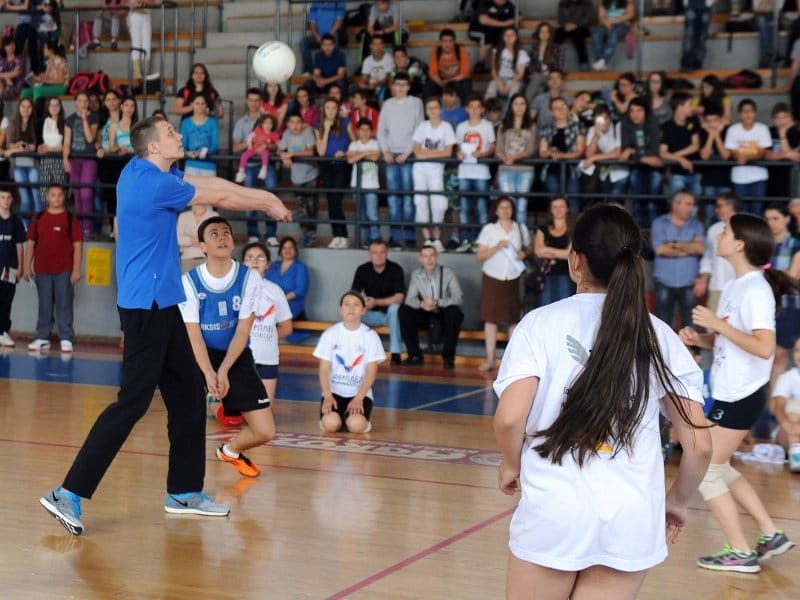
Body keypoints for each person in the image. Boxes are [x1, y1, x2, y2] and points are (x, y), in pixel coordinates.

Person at [38, 115, 291, 535]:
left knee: (189, 394)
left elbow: (209, 187)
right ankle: (68, 492)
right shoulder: (157, 184)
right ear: (152, 147)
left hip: (165, 302)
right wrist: (267, 200)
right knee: (132, 403)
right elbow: (221, 195)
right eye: (170, 133)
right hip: (144, 308)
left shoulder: (138, 170)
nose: (178, 135)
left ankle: (185, 491)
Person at [494, 203, 711, 598]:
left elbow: (510, 418)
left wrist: (511, 463)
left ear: (575, 261)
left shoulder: (539, 324)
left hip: (554, 510)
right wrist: (677, 501)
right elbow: (699, 443)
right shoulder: (661, 336)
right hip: (630, 517)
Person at [679, 213, 797, 572]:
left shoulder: (756, 290)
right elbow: (736, 338)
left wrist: (716, 325)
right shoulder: (735, 285)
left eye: (726, 232)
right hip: (731, 391)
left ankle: (741, 551)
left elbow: (764, 347)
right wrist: (704, 338)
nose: (719, 236)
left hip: (744, 394)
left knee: (706, 470)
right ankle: (769, 534)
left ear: (740, 243)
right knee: (720, 465)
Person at [178, 216, 278, 479]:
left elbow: (243, 331)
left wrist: (222, 370)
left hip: (234, 355)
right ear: (202, 246)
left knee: (266, 430)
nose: (222, 237)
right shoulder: (189, 281)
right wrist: (209, 373)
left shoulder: (249, 278)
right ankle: (186, 483)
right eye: (214, 234)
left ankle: (230, 451)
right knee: (189, 420)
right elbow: (193, 335)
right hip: (197, 355)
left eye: (226, 232)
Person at [22, 183, 82, 353]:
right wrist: (27, 265)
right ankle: (42, 337)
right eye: (53, 195)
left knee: (64, 304)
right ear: (47, 197)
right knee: (44, 304)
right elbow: (31, 242)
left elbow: (78, 245)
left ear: (64, 197)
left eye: (59, 195)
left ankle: (66, 337)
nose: (56, 198)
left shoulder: (71, 218)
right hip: (42, 270)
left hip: (64, 270)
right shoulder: (38, 217)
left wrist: (76, 270)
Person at [315, 290, 385, 433]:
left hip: (359, 393)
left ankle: (353, 421)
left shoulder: (370, 336)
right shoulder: (330, 334)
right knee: (330, 424)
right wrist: (327, 396)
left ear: (364, 310)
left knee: (356, 425)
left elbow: (372, 372)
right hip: (334, 393)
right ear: (341, 309)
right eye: (347, 304)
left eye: (356, 305)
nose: (351, 308)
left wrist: (359, 398)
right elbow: (323, 370)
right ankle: (338, 420)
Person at [476, 196, 530, 371]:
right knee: (490, 319)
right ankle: (490, 359)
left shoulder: (520, 228)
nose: (505, 210)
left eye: (508, 207)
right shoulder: (489, 229)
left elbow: (528, 248)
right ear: (496, 211)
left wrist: (524, 253)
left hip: (513, 277)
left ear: (513, 209)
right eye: (502, 207)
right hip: (492, 276)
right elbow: (479, 256)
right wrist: (496, 247)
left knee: (512, 319)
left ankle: (510, 361)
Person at [241, 241, 293, 409]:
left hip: (267, 358)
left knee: (265, 410)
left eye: (260, 258)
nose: (255, 261)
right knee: (233, 413)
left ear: (268, 265)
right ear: (242, 264)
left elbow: (287, 327)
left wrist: (267, 337)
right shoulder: (234, 289)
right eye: (250, 258)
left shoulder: (275, 291)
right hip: (239, 357)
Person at [378, 73, 424, 250]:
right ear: (393, 86)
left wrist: (407, 153)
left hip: (408, 155)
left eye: (404, 84)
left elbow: (419, 130)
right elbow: (381, 131)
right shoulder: (388, 104)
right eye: (397, 84)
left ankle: (410, 237)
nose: (400, 87)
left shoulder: (416, 103)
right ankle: (396, 237)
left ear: (409, 86)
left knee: (408, 197)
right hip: (390, 155)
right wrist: (386, 151)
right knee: (393, 198)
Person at [398, 245, 464, 369]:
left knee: (454, 312)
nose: (429, 259)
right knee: (404, 311)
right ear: (420, 259)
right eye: (425, 256)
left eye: (432, 256)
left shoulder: (448, 272)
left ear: (437, 257)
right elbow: (409, 299)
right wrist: (422, 304)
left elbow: (458, 297)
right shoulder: (416, 274)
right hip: (426, 311)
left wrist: (438, 302)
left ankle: (449, 358)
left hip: (443, 311)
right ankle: (414, 355)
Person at [650, 190, 705, 331]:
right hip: (664, 281)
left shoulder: (696, 224)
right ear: (675, 204)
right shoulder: (659, 223)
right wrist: (688, 249)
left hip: (689, 282)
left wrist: (673, 243)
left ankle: (693, 353)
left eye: (692, 204)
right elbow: (660, 250)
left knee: (691, 325)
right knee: (662, 324)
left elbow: (700, 248)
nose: (691, 208)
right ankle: (662, 353)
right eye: (688, 204)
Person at [234, 88, 279, 245]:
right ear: (247, 101)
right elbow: (235, 147)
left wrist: (266, 146)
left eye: (257, 100)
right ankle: (252, 234)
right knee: (249, 200)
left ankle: (271, 235)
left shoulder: (269, 120)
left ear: (261, 102)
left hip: (268, 164)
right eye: (251, 100)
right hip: (250, 164)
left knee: (271, 198)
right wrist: (251, 144)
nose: (253, 103)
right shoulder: (241, 122)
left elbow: (277, 144)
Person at [412, 96, 456, 252]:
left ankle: (437, 238)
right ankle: (427, 238)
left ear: (440, 109)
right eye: (429, 108)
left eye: (435, 107)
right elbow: (416, 152)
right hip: (420, 169)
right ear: (426, 111)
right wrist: (438, 152)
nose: (432, 111)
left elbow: (449, 152)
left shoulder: (446, 127)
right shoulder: (422, 126)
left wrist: (427, 153)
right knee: (421, 201)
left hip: (437, 170)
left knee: (438, 202)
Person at [351, 240, 405, 365]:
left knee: (395, 308)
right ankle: (355, 352)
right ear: (370, 254)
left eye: (382, 252)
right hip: (370, 314)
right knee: (352, 309)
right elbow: (354, 295)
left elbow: (399, 297)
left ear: (387, 254)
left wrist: (376, 302)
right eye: (375, 252)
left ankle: (396, 354)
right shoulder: (362, 269)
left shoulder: (396, 269)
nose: (378, 255)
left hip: (391, 316)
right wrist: (362, 303)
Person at [455, 94, 496, 250]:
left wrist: (483, 154)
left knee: (482, 208)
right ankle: (465, 240)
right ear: (466, 109)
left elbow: (492, 147)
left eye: (477, 107)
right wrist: (458, 154)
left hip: (481, 171)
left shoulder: (487, 126)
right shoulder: (461, 127)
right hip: (464, 171)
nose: (474, 110)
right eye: (471, 107)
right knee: (464, 207)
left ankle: (481, 241)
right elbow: (458, 147)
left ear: (482, 109)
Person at [620, 97, 663, 226]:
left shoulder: (653, 122)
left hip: (654, 168)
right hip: (636, 167)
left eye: (639, 110)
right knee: (638, 204)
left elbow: (655, 152)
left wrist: (633, 152)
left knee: (652, 204)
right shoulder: (626, 122)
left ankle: (656, 240)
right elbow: (625, 150)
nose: (635, 114)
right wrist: (643, 157)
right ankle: (640, 239)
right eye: (632, 110)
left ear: (646, 111)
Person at [496, 93, 537, 226]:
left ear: (526, 106)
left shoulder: (532, 126)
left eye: (522, 104)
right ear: (511, 107)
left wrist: (513, 157)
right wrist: (502, 156)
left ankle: (521, 238)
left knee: (521, 206)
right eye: (516, 104)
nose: (519, 107)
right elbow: (499, 148)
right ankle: (509, 237)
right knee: (508, 205)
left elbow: (530, 150)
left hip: (525, 170)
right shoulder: (503, 125)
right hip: (506, 169)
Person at [724, 99, 771, 215]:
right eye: (744, 111)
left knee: (757, 212)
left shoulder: (763, 129)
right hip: (739, 177)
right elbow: (731, 151)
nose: (748, 114)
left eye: (751, 111)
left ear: (755, 113)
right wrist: (741, 155)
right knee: (741, 212)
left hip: (759, 177)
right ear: (739, 114)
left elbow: (763, 152)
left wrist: (745, 157)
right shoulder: (732, 130)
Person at [538, 96, 585, 211]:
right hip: (552, 170)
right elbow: (542, 152)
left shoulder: (578, 126)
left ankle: (574, 228)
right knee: (555, 202)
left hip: (572, 171)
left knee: (573, 202)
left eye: (563, 107)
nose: (561, 110)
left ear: (568, 108)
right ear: (551, 112)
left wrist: (562, 155)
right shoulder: (546, 128)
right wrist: (551, 152)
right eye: (557, 108)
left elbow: (580, 151)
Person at [278, 113, 319, 247]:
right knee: (301, 209)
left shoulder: (307, 132)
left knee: (311, 207)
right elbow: (279, 150)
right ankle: (306, 235)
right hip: (296, 177)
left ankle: (311, 236)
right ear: (288, 124)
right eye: (292, 122)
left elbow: (310, 151)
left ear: (302, 123)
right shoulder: (286, 134)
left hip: (311, 175)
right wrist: (284, 156)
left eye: (298, 122)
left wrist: (292, 153)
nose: (295, 125)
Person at [315, 97, 351, 249]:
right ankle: (336, 235)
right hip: (326, 165)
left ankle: (343, 235)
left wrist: (345, 152)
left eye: (334, 108)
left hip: (341, 164)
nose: (331, 111)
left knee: (337, 199)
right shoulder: (318, 126)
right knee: (330, 200)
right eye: (328, 107)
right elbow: (321, 152)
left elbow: (355, 142)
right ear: (324, 109)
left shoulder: (345, 123)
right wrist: (327, 129)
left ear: (338, 110)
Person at [64, 91, 100, 239]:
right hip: (74, 159)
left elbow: (91, 138)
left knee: (86, 194)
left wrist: (85, 119)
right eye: (80, 101)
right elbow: (66, 142)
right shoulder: (70, 119)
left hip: (89, 159)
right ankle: (79, 227)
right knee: (77, 195)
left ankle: (88, 228)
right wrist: (65, 158)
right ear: (76, 103)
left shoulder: (94, 117)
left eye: (86, 101)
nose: (83, 104)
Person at [696, 192, 739, 313]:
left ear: (730, 206)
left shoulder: (746, 227)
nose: (716, 210)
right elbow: (708, 257)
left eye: (719, 206)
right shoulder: (714, 228)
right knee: (712, 327)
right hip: (716, 285)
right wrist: (703, 279)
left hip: (738, 285)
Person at [580, 103, 628, 202]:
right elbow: (588, 154)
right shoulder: (592, 130)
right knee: (606, 202)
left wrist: (594, 158)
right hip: (604, 174)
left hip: (620, 173)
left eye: (605, 118)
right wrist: (596, 135)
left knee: (614, 200)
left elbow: (618, 153)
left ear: (610, 119)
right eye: (599, 119)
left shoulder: (617, 127)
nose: (603, 122)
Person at [534, 194, 575, 307]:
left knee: (565, 310)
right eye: (555, 206)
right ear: (551, 210)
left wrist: (547, 250)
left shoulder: (573, 228)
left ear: (567, 208)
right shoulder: (542, 229)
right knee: (545, 310)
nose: (558, 209)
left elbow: (570, 254)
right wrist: (561, 252)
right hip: (546, 275)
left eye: (561, 206)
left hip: (566, 275)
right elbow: (538, 251)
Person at [660, 93, 701, 197]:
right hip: (676, 173)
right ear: (680, 107)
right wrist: (681, 159)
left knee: (694, 206)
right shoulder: (666, 127)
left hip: (695, 172)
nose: (692, 108)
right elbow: (662, 152)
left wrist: (676, 155)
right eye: (690, 104)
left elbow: (695, 146)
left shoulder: (694, 122)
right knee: (677, 204)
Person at [347, 119, 381, 246]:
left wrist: (360, 155)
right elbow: (350, 160)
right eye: (362, 130)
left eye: (368, 130)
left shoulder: (375, 143)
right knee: (361, 215)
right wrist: (367, 153)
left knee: (372, 214)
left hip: (372, 185)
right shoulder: (353, 145)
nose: (365, 133)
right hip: (357, 185)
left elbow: (375, 157)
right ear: (358, 131)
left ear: (371, 132)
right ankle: (367, 239)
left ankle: (375, 239)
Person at [6, 97, 39, 224]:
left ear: (32, 109)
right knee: (25, 198)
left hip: (33, 164)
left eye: (29, 107)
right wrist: (19, 146)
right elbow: (9, 145)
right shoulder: (13, 123)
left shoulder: (36, 123)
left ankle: (39, 226)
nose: (25, 109)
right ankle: (26, 226)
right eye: (23, 106)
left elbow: (34, 146)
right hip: (18, 165)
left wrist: (18, 147)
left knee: (36, 195)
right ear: (18, 108)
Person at [0, 187, 25, 347]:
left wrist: (21, 265)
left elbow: (19, 245)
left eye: (8, 197)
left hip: (9, 267)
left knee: (5, 301)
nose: (5, 201)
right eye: (2, 197)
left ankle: (3, 332)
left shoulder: (16, 221)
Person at [772, 337, 800, 471]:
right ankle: (797, 463)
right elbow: (779, 408)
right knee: (793, 411)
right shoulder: (787, 378)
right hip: (788, 432)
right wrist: (789, 425)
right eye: (797, 350)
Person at [425, 28, 473, 105]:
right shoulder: (435, 51)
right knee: (429, 86)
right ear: (440, 42)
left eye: (450, 41)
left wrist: (450, 82)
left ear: (454, 42)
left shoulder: (461, 50)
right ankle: (429, 114)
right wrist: (442, 83)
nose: (447, 44)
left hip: (457, 81)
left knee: (466, 86)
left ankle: (466, 113)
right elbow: (433, 73)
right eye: (444, 41)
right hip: (441, 81)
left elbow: (465, 73)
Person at [266, 236, 309, 320]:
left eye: (291, 247)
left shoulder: (300, 267)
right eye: (284, 248)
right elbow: (266, 285)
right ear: (280, 251)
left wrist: (279, 301)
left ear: (295, 250)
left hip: (292, 307)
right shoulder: (274, 266)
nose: (287, 250)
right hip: (272, 306)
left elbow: (300, 290)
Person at [468, 0, 517, 72]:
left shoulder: (509, 5)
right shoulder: (484, 2)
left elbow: (519, 17)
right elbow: (483, 20)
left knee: (508, 34)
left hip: (495, 31)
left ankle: (504, 65)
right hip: (476, 31)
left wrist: (513, 21)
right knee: (487, 35)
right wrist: (504, 23)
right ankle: (479, 65)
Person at [299, 0, 346, 76]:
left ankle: (336, 72)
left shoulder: (339, 2)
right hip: (319, 37)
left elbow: (339, 21)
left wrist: (327, 36)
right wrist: (316, 35)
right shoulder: (315, 3)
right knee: (303, 43)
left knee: (335, 40)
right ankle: (309, 70)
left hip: (333, 35)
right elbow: (312, 23)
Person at [486, 27, 529, 102]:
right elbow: (493, 71)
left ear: (516, 37)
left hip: (515, 80)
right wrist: (499, 83)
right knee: (492, 85)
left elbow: (520, 75)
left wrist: (509, 85)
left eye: (512, 35)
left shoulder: (522, 53)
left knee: (514, 90)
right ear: (503, 37)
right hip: (499, 79)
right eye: (506, 35)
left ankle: (510, 112)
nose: (509, 37)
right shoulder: (496, 51)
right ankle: (488, 110)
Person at [179, 95, 219, 177]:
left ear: (206, 105)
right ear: (192, 104)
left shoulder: (213, 122)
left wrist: (204, 151)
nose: (200, 106)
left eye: (202, 103)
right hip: (191, 165)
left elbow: (215, 145)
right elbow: (183, 145)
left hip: (209, 166)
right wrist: (189, 153)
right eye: (197, 103)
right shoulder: (185, 123)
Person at [235, 113, 279, 185]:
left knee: (265, 153)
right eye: (265, 123)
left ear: (273, 124)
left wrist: (266, 145)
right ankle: (241, 171)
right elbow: (250, 137)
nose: (267, 125)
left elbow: (277, 145)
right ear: (261, 124)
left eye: (270, 123)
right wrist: (249, 144)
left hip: (265, 155)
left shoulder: (274, 134)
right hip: (253, 151)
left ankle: (263, 169)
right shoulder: (257, 130)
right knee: (244, 155)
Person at [591, 0, 635, 71]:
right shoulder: (604, 2)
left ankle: (603, 60)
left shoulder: (627, 2)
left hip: (622, 24)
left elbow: (630, 15)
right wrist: (606, 23)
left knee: (613, 34)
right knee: (596, 35)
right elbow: (601, 16)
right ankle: (601, 62)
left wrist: (613, 21)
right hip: (606, 24)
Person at [525, 22, 564, 101]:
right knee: (539, 88)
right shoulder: (533, 48)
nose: (544, 34)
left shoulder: (557, 48)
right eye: (542, 31)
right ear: (538, 33)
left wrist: (549, 72)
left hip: (551, 78)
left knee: (537, 79)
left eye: (547, 31)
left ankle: (525, 103)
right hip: (537, 77)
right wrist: (537, 72)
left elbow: (559, 67)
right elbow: (530, 66)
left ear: (550, 34)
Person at [177, 203, 219, 272]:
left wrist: (189, 240)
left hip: (208, 259)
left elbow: (214, 239)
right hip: (187, 259)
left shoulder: (214, 216)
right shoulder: (183, 216)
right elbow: (179, 239)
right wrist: (202, 240)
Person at [554, 0, 594, 72]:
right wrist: (565, 25)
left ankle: (584, 63)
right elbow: (560, 17)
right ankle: (557, 62)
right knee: (556, 34)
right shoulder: (562, 3)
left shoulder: (587, 2)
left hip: (582, 27)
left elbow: (589, 17)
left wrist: (576, 25)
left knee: (578, 36)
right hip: (566, 27)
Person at [681, 0, 715, 71]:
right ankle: (687, 64)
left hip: (706, 7)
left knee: (701, 38)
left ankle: (697, 64)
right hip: (691, 5)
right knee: (689, 36)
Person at [358, 35, 394, 102]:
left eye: (380, 44)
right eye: (375, 44)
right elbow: (365, 77)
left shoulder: (389, 58)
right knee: (359, 92)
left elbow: (388, 78)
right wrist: (363, 84)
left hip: (383, 85)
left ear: (383, 45)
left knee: (383, 90)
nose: (377, 46)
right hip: (370, 85)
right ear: (371, 46)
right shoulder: (367, 60)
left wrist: (376, 84)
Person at [312, 33, 347, 98]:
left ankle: (341, 104)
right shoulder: (318, 55)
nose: (327, 47)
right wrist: (319, 80)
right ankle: (312, 106)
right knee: (309, 83)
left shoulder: (340, 55)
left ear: (334, 45)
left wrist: (326, 81)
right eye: (325, 44)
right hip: (324, 82)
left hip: (334, 81)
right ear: (321, 45)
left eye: (330, 44)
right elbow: (316, 73)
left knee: (341, 82)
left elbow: (340, 75)